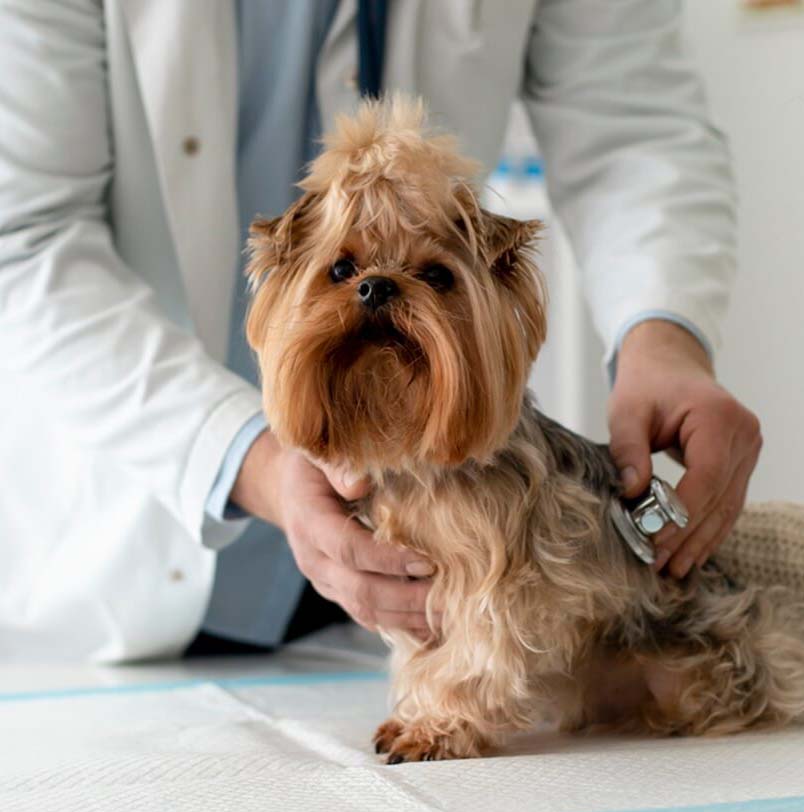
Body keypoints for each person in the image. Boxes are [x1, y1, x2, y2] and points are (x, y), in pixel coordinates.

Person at [0, 0, 761, 662]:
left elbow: (634, 124)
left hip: (407, 604)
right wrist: (254, 463)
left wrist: (665, 333)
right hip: (128, 539)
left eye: (428, 277)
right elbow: (25, 237)